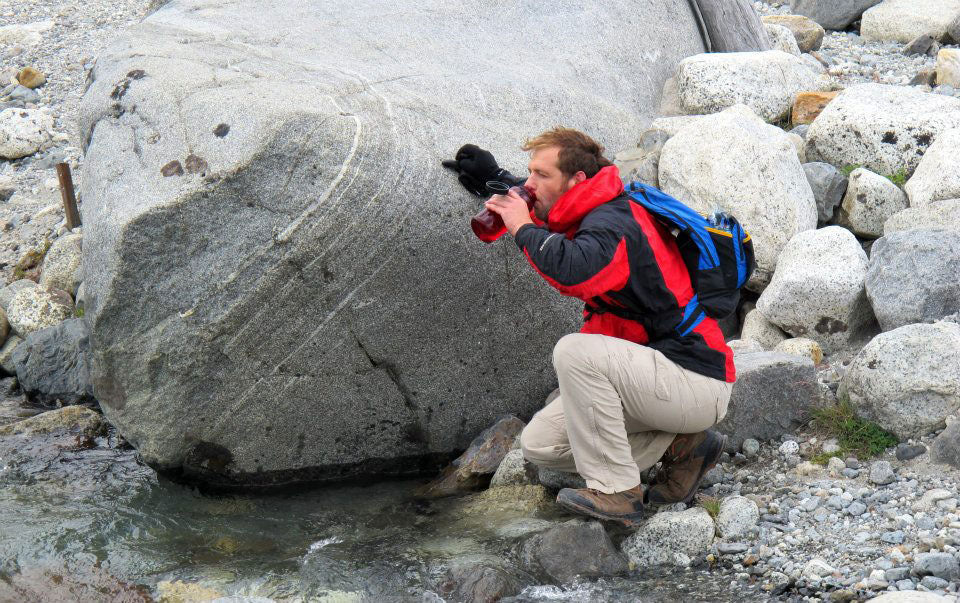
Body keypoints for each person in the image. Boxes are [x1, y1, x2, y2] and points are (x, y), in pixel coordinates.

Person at [445, 128, 735, 526]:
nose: (531, 183)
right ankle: (684, 446)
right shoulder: (595, 203)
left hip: (695, 379)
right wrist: (499, 182)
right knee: (540, 445)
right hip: (656, 384)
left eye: (540, 175)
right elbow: (555, 208)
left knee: (574, 352)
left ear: (578, 179)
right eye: (531, 172)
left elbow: (575, 269)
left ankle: (618, 492)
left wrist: (522, 227)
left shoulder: (615, 224)